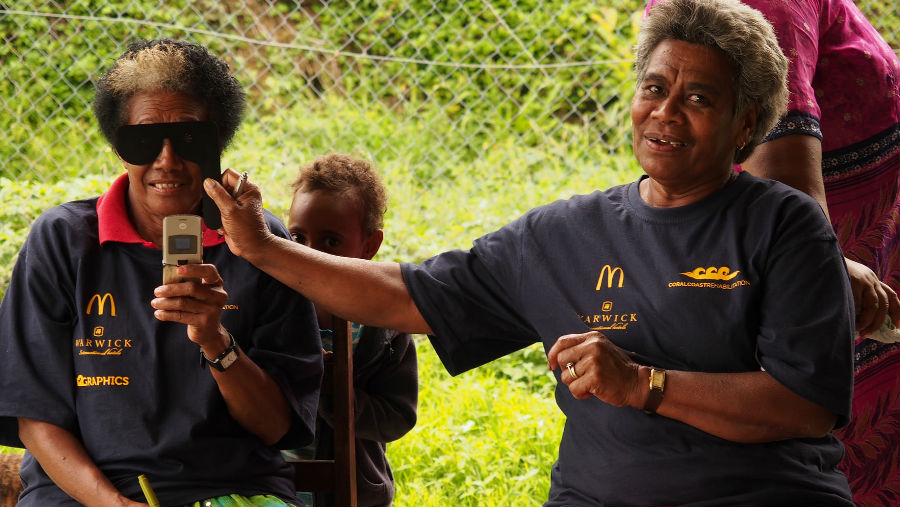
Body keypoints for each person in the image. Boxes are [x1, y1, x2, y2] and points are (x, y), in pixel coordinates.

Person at [207, 0, 857, 504]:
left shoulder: (785, 227)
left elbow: (806, 402)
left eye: (699, 98)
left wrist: (645, 384)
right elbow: (404, 294)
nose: (665, 113)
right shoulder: (563, 235)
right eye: (655, 88)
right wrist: (262, 248)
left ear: (746, 124)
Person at [0, 39, 323, 507]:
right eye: (145, 140)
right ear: (119, 147)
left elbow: (277, 427)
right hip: (83, 495)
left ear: (217, 144)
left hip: (233, 489)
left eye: (189, 138)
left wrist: (216, 341)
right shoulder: (64, 242)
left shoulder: (259, 242)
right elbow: (36, 416)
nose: (167, 160)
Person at [643, 0, 900, 502]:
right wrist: (827, 267)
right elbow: (779, 155)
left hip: (854, 255)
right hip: (825, 275)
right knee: (816, 442)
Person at [280, 154, 417, 507]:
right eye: (297, 237)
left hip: (350, 491)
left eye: (330, 242)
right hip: (269, 488)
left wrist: (335, 389)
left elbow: (397, 416)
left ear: (370, 246)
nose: (309, 255)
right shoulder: (271, 308)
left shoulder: (383, 328)